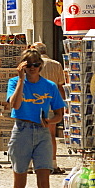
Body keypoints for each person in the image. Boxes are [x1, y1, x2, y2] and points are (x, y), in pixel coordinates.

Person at [7, 46, 66, 188]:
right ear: (22, 66)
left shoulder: (49, 86)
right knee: (19, 183)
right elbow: (14, 105)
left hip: (42, 134)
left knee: (44, 183)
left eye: (36, 65)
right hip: (21, 131)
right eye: (28, 65)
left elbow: (59, 113)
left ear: (41, 66)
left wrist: (50, 122)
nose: (32, 68)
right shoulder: (15, 82)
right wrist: (21, 81)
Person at [31, 41, 67, 174]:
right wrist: (64, 104)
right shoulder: (56, 65)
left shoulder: (32, 65)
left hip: (34, 103)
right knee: (51, 134)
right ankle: (52, 163)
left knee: (32, 133)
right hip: (51, 104)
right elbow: (60, 87)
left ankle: (31, 164)